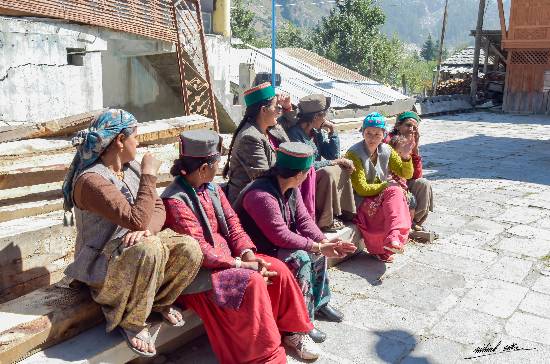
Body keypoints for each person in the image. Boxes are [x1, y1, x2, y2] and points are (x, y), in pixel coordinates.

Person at [162, 130, 322, 362]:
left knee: (278, 268)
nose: (219, 167)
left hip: (228, 261)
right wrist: (242, 265)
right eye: (217, 162)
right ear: (204, 167)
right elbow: (200, 251)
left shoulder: (213, 189)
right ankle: (262, 355)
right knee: (253, 281)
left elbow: (234, 225)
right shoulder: (175, 200)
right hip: (199, 273)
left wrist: (247, 254)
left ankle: (291, 332)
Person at [61, 109, 202, 357]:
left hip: (136, 249)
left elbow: (157, 207)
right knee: (151, 249)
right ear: (119, 140)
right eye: (135, 137)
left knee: (190, 248)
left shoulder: (130, 167)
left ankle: (156, 302)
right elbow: (135, 218)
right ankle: (132, 321)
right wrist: (149, 175)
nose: (138, 143)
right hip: (100, 265)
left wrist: (147, 230)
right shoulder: (92, 181)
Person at [234, 142, 357, 344]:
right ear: (300, 174)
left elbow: (304, 221)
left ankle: (320, 302)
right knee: (301, 258)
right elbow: (279, 235)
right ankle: (302, 322)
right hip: (258, 250)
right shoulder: (261, 195)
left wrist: (325, 242)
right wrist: (317, 246)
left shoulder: (290, 186)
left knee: (318, 251)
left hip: (275, 244)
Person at [344, 112, 414, 263]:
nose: (372, 137)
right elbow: (362, 188)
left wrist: (407, 157)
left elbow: (405, 173)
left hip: (380, 195)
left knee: (396, 194)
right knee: (394, 191)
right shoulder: (354, 153)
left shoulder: (387, 150)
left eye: (377, 133)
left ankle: (392, 240)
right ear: (363, 132)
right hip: (361, 200)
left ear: (384, 134)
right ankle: (391, 240)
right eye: (368, 133)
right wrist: (386, 185)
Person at [286, 94, 356, 232]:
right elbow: (307, 164)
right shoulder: (295, 134)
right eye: (323, 115)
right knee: (328, 172)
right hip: (303, 177)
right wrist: (334, 161)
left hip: (314, 174)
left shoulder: (316, 132)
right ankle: (325, 220)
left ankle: (343, 211)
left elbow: (332, 154)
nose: (325, 119)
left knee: (342, 168)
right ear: (316, 117)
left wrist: (333, 131)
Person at [223, 82, 292, 203]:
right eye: (276, 107)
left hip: (267, 193)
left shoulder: (270, 128)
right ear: (264, 110)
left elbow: (292, 126)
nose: (279, 111)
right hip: (249, 203)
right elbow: (264, 178)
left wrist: (286, 106)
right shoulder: (249, 138)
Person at [386, 111, 435, 237]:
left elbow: (416, 175)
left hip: (405, 178)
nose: (411, 130)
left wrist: (415, 149)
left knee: (423, 183)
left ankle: (415, 221)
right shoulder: (389, 141)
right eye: (408, 125)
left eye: (414, 127)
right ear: (398, 126)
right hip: (391, 180)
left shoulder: (411, 142)